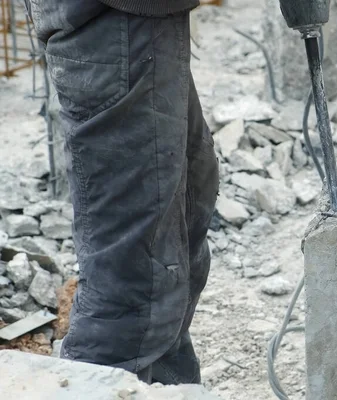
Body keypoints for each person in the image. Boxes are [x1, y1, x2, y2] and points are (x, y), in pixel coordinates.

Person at [25, 0, 219, 384]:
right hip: (110, 27)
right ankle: (93, 386)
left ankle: (164, 383)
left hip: (141, 23)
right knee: (133, 283)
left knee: (187, 210)